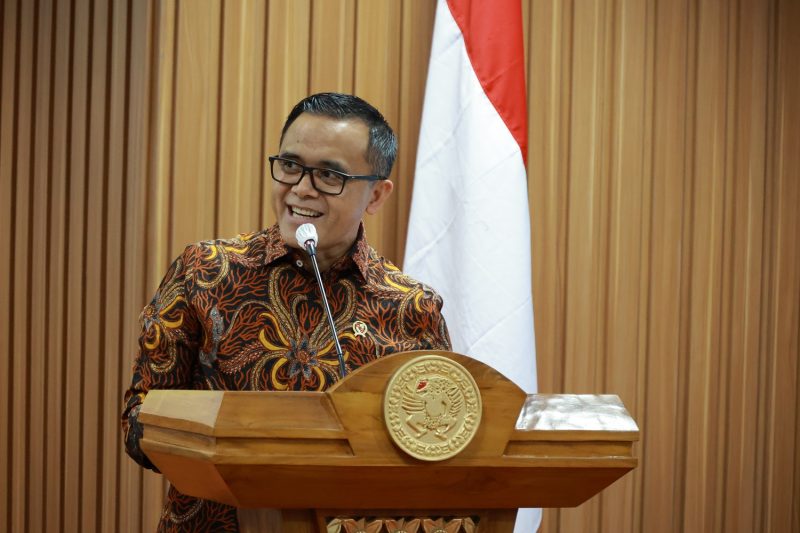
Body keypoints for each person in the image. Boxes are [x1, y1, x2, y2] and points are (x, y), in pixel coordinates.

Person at [121, 92, 451, 532]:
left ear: (375, 194)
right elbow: (139, 418)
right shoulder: (206, 272)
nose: (301, 188)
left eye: (329, 175)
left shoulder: (413, 307)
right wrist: (224, 447)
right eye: (291, 165)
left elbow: (436, 441)